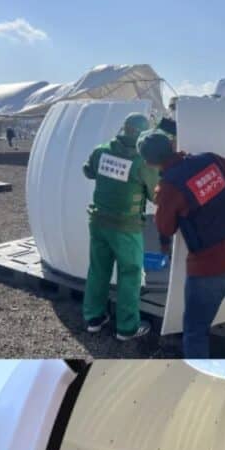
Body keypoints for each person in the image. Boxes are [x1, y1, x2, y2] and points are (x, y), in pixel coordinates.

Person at [137, 130, 225, 358]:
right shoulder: (208, 160)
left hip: (209, 267)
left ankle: (200, 380)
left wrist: (160, 199)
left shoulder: (169, 188)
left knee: (195, 330)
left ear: (149, 162)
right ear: (172, 144)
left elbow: (166, 228)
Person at [81, 113, 154, 341]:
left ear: (123, 128)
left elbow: (87, 171)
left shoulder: (101, 150)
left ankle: (94, 318)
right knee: (129, 274)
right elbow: (156, 194)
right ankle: (127, 328)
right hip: (127, 227)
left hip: (99, 221)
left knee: (98, 269)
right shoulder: (143, 161)